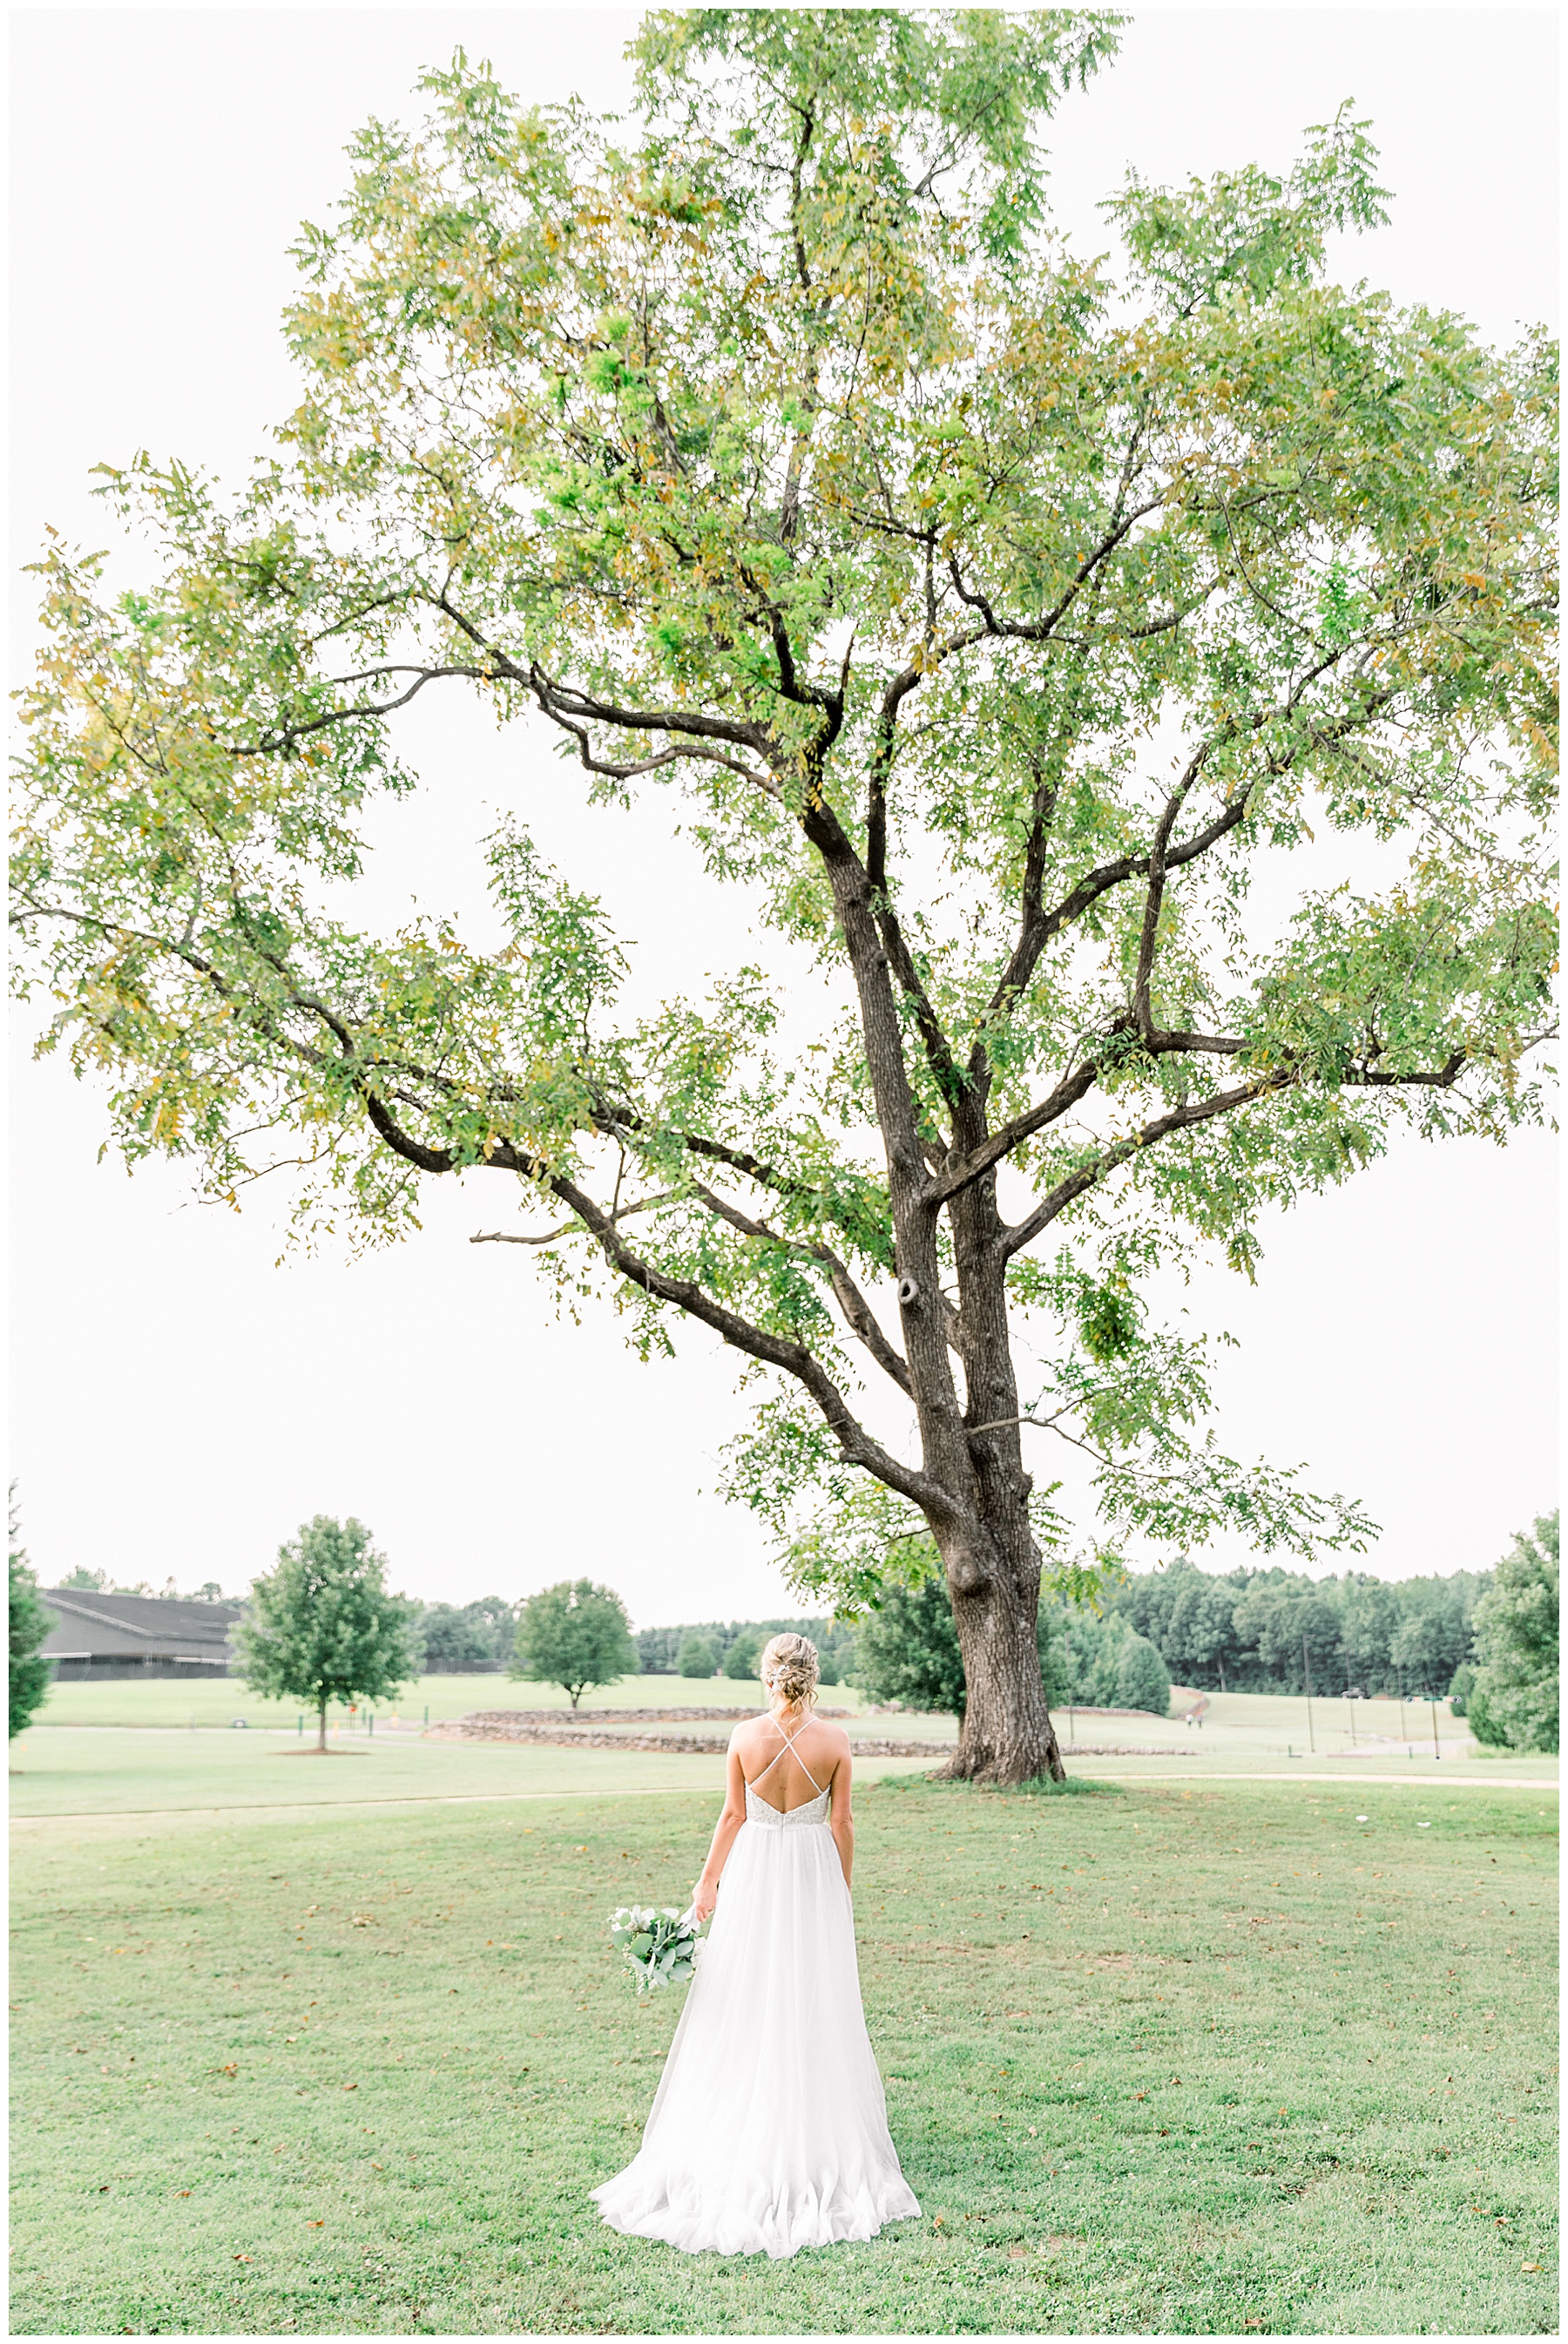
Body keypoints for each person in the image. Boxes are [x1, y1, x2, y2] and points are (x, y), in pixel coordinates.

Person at [591, 1632, 921, 2258]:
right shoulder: (836, 1742)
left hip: (754, 1873)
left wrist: (707, 1881)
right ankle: (805, 2122)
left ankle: (747, 2116)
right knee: (807, 1991)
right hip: (810, 1873)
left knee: (744, 1990)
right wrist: (840, 1887)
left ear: (767, 1676)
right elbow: (843, 1822)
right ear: (812, 1676)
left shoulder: (745, 1736)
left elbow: (732, 1816)